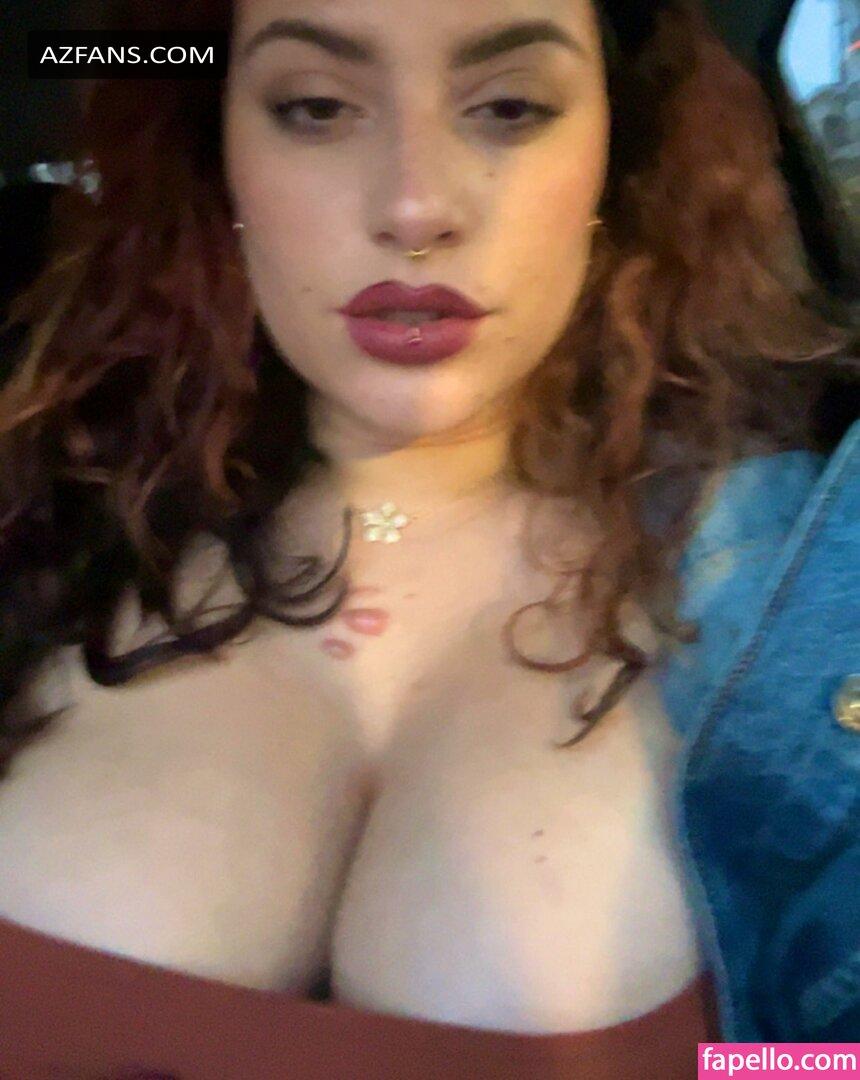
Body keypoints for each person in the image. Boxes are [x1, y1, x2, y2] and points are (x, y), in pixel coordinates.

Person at [0, 0, 856, 1074]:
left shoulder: (818, 589)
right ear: (217, 155)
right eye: (316, 107)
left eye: (510, 108)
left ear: (618, 152)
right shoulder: (41, 509)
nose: (414, 206)